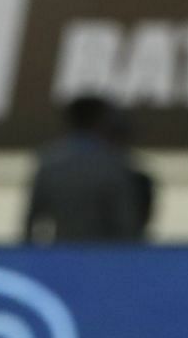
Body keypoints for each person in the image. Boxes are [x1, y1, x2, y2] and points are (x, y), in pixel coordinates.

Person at [22, 96, 147, 243]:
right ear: (102, 122)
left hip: (63, 253)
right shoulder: (114, 165)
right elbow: (127, 224)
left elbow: (32, 219)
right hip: (107, 255)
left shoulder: (49, 164)